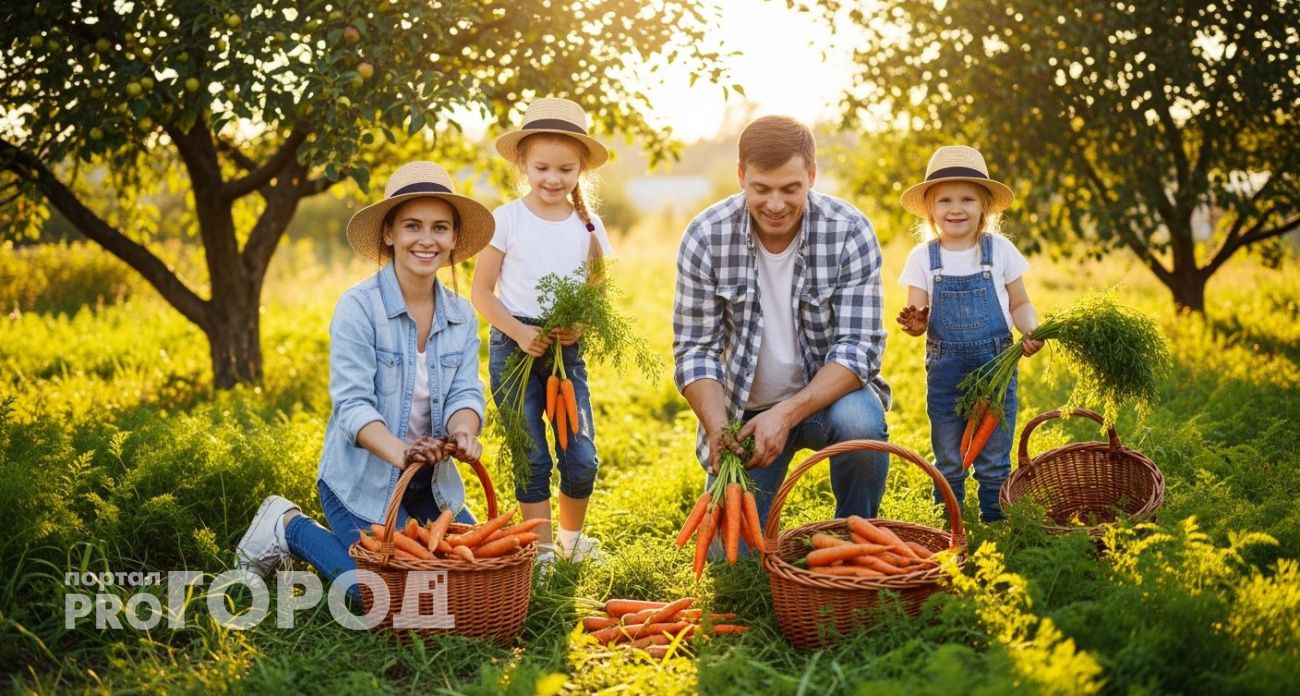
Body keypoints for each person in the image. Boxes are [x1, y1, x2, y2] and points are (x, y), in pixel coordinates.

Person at [234, 161, 494, 593]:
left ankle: (389, 531)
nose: (427, 240)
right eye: (413, 226)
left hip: (430, 484)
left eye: (440, 228)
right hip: (360, 484)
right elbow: (353, 407)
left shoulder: (461, 315)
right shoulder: (359, 308)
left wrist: (464, 432)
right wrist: (405, 453)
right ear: (389, 234)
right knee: (380, 593)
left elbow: (466, 391)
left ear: (452, 238)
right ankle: (288, 526)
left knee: (468, 577)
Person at [673, 114, 892, 533]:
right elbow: (695, 350)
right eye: (762, 189)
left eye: (791, 188)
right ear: (741, 177)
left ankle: (856, 534)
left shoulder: (849, 231)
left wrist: (787, 414)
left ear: (812, 175)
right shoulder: (705, 236)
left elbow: (858, 348)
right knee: (732, 563)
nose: (776, 204)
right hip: (747, 415)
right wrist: (721, 430)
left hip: (828, 399)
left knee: (861, 423)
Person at [471, 97, 613, 566]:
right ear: (522, 164)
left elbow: (597, 291)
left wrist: (581, 322)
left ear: (581, 170)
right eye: (542, 167)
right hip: (513, 348)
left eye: (565, 169)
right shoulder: (505, 220)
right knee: (530, 454)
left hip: (564, 352)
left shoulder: (587, 225)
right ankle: (544, 552)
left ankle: (572, 543)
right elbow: (482, 292)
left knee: (581, 456)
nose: (554, 179)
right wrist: (516, 331)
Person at [896, 145, 1042, 523]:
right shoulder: (923, 258)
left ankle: (996, 521)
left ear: (984, 208)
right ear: (930, 209)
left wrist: (1030, 328)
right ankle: (950, 526)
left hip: (995, 370)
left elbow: (1020, 304)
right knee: (948, 457)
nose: (955, 208)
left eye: (967, 199)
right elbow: (920, 315)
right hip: (946, 374)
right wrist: (915, 324)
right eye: (945, 200)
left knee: (994, 457)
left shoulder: (1001, 251)